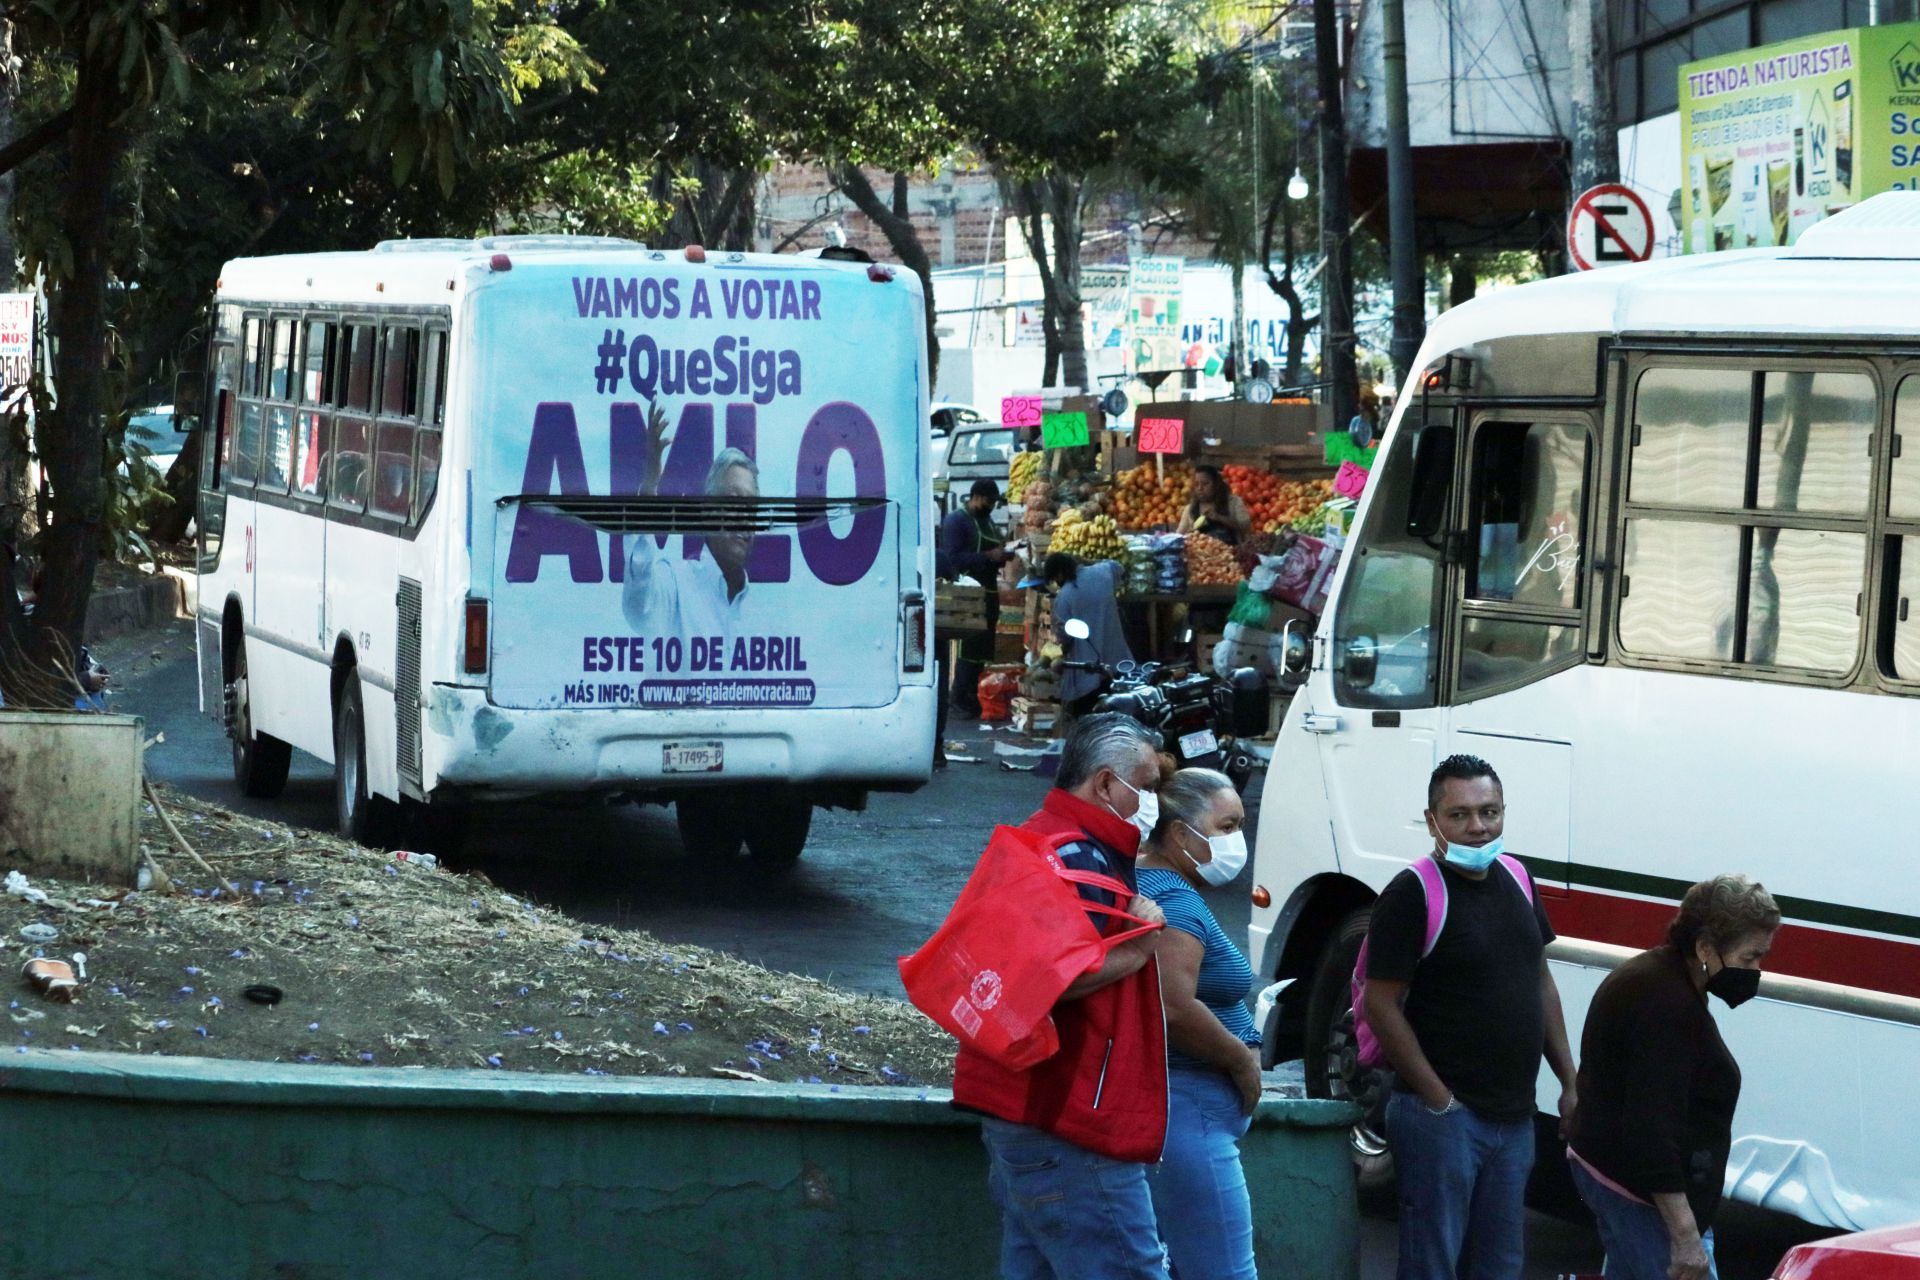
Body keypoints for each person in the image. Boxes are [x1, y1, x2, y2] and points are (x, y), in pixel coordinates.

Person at [953, 712, 1172, 1280]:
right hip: (1067, 1120)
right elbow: (1056, 978)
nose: (1151, 803)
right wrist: (1140, 943)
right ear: (1104, 784)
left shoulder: (1043, 839)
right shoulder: (1076, 859)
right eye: (1144, 787)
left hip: (1028, 1111)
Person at [1363, 754, 1578, 1280]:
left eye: (1490, 812)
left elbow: (1540, 981)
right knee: (1432, 1261)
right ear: (1431, 819)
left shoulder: (1518, 876)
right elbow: (1380, 1003)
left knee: (1500, 1263)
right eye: (1459, 815)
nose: (1478, 827)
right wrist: (1439, 1100)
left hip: (1514, 1118)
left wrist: (1570, 1082)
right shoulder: (1412, 893)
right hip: (1444, 1121)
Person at [1566, 875, 1781, 1280]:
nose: (1756, 970)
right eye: (1750, 957)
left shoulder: (1664, 977)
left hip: (1614, 1176)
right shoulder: (1665, 1004)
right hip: (1638, 1194)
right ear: (1705, 948)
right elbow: (1652, 1131)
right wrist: (1685, 1238)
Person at [1136, 768, 1262, 1280]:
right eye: (1227, 827)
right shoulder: (1174, 899)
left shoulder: (1150, 881)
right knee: (1225, 1271)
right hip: (1189, 1111)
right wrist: (1241, 1062)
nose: (1238, 842)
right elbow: (1171, 1004)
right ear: (1182, 835)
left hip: (1185, 1109)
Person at [623, 403, 759, 646]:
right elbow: (639, 610)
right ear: (707, 511)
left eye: (751, 507)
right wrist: (649, 491)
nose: (743, 517)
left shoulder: (760, 614)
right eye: (733, 502)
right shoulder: (675, 583)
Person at [940, 479, 1011, 718]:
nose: (992, 506)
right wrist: (988, 556)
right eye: (989, 501)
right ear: (977, 497)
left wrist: (1003, 555)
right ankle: (959, 696)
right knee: (968, 647)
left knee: (983, 647)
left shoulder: (987, 521)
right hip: (966, 597)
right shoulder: (956, 521)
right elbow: (952, 559)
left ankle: (974, 694)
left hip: (988, 592)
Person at [1045, 552, 1133, 717]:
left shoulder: (1064, 596)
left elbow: (1065, 636)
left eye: (1055, 578)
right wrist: (1089, 561)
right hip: (1116, 661)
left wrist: (1059, 655)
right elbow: (1119, 567)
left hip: (1087, 670)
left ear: (1059, 573)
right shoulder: (1104, 571)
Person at [1178, 465, 1252, 546]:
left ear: (1216, 484)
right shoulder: (1190, 509)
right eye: (1196, 484)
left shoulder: (1233, 503)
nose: (1200, 488)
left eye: (1205, 484)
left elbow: (1245, 528)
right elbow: (1179, 535)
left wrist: (1220, 518)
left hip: (1230, 554)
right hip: (1200, 556)